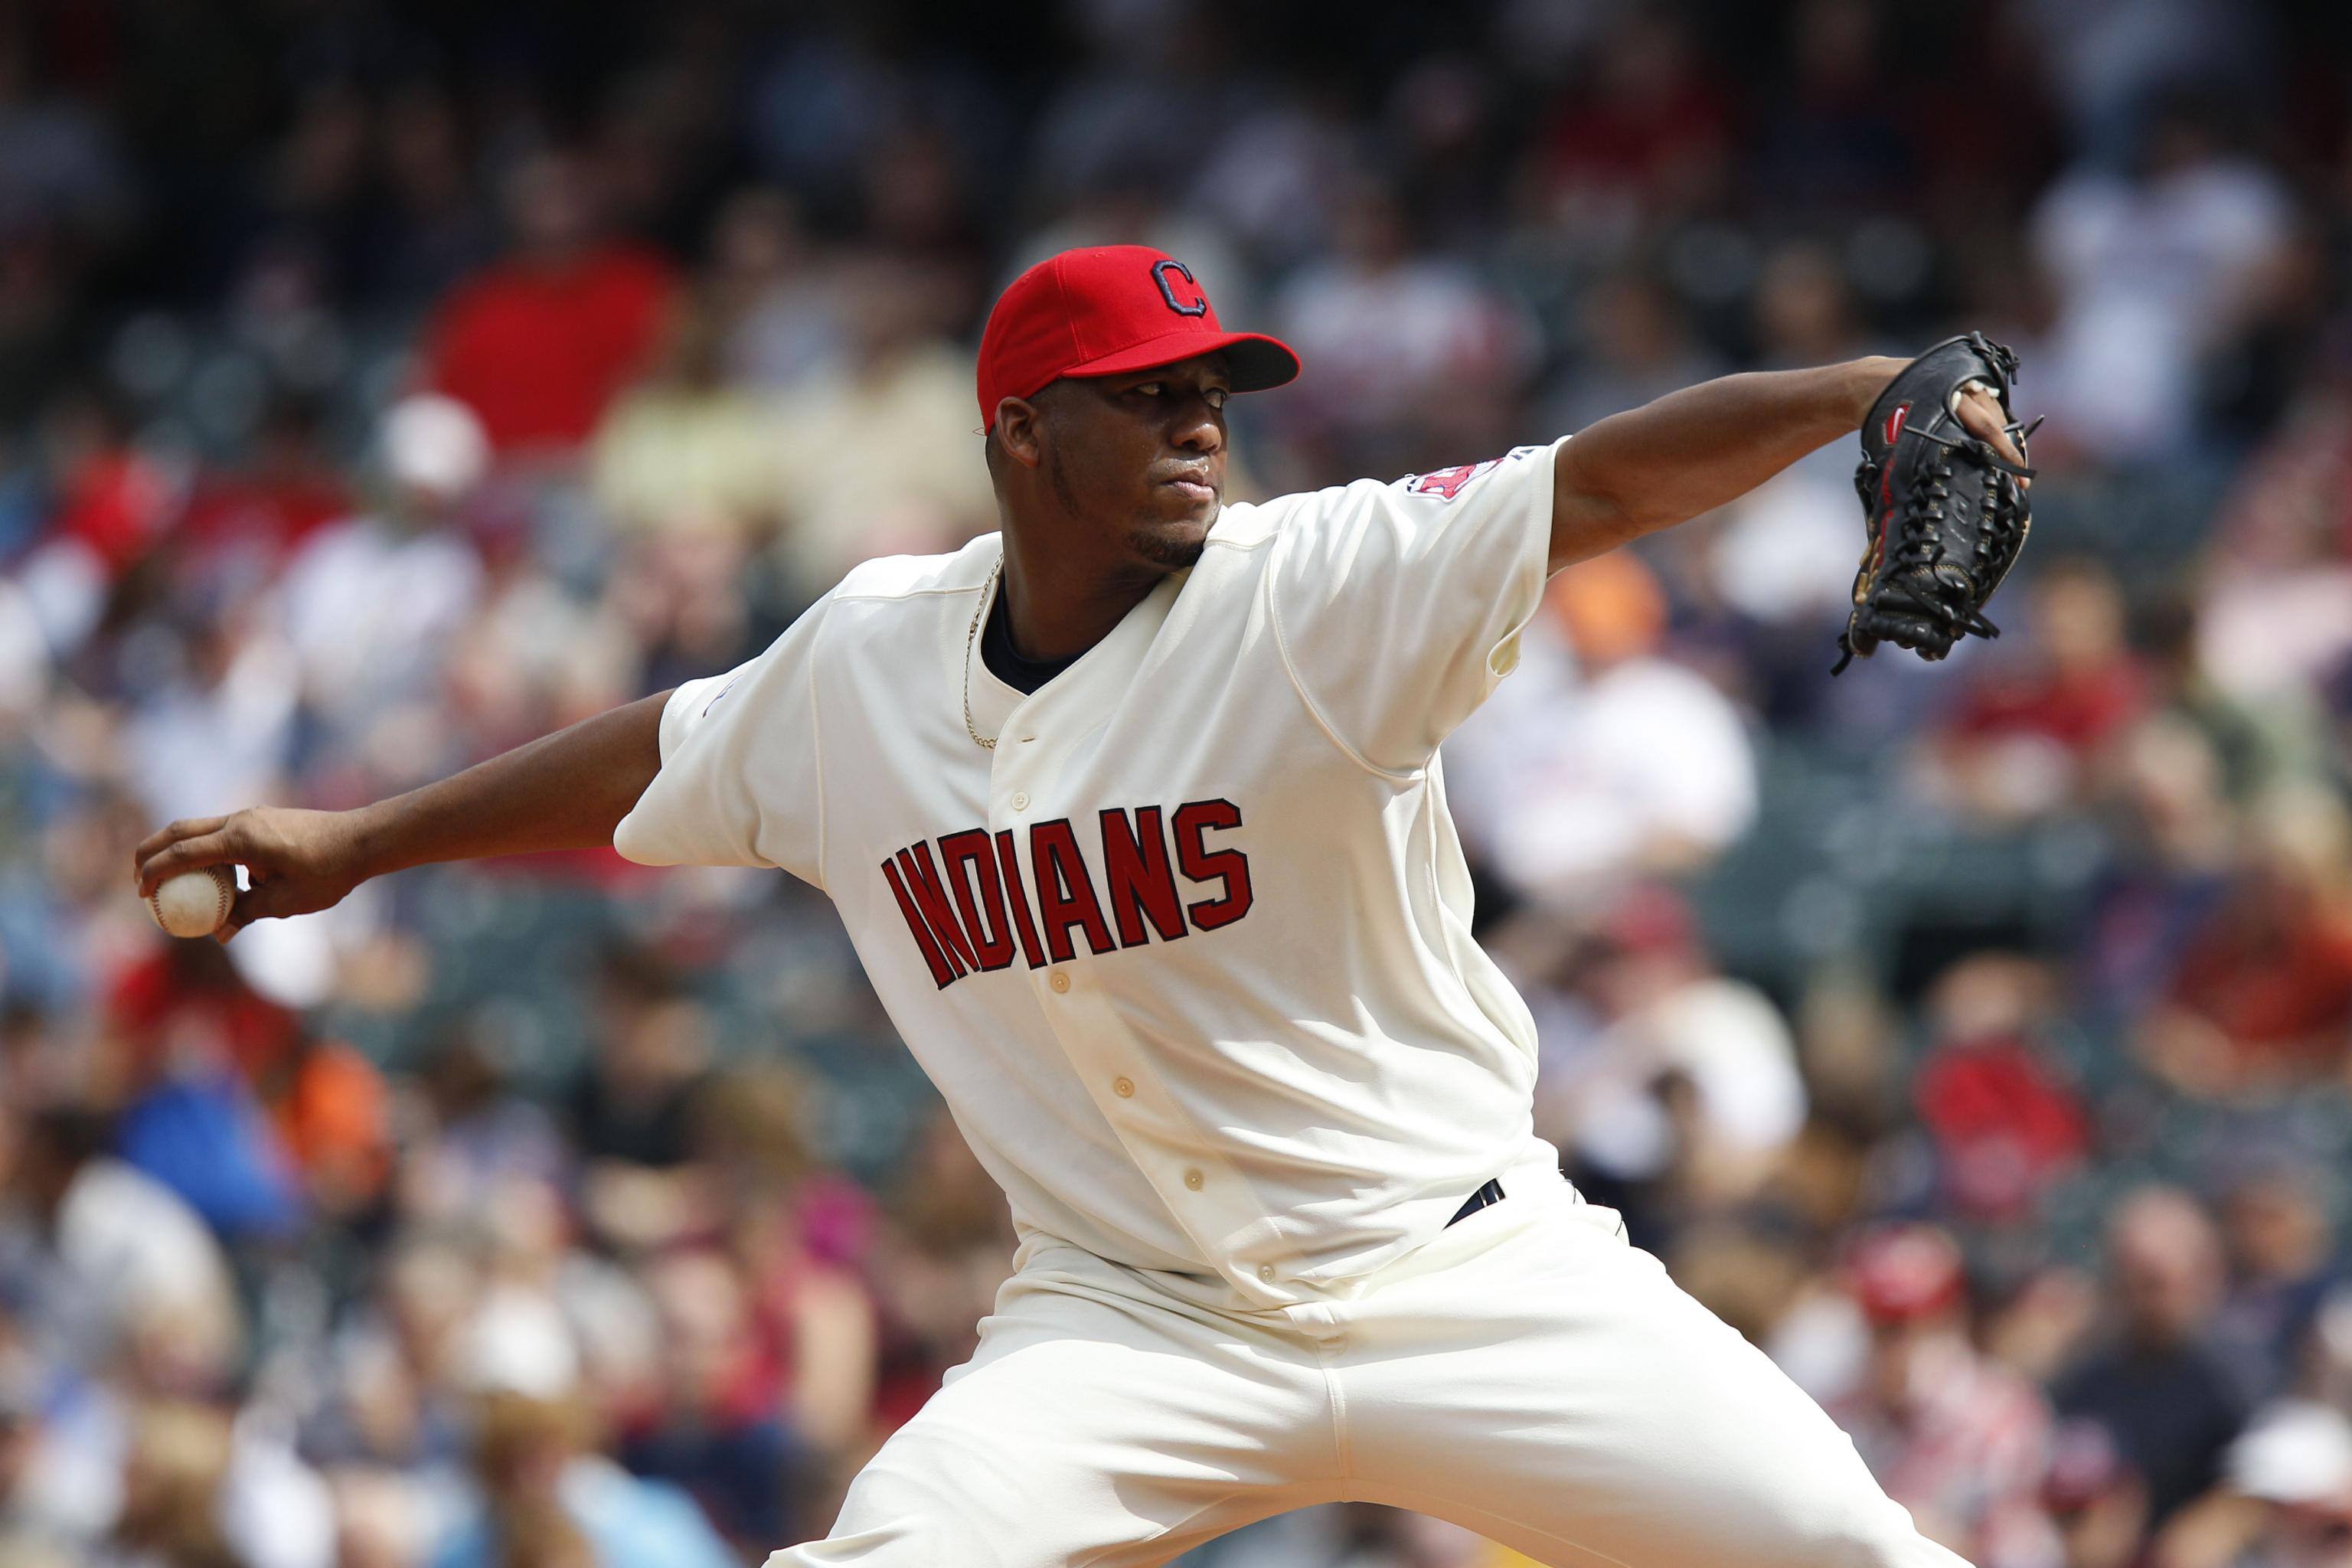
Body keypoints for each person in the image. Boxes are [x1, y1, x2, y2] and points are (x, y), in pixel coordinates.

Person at [134, 244, 2031, 1566]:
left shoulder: (1312, 588)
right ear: (1024, 435)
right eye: (1148, 397)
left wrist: (1867, 392)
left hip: (1464, 1272)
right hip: (1127, 1327)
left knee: (1847, 1548)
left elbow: (1592, 484)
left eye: (1215, 388)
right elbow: (667, 746)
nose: (1203, 423)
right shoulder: (867, 660)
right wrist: (365, 840)